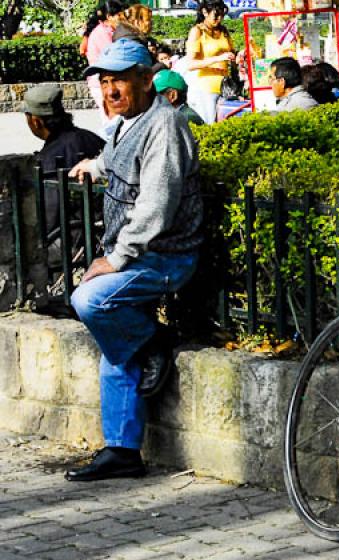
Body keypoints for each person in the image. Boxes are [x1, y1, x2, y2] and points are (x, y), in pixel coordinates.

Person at [66, 39, 203, 482]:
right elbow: (117, 160)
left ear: (147, 79)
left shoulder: (164, 125)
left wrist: (115, 257)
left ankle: (153, 342)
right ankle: (122, 450)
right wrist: (93, 165)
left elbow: (157, 206)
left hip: (166, 257)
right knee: (114, 340)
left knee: (92, 301)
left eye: (120, 80)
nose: (110, 90)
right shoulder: (127, 123)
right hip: (141, 255)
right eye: (105, 81)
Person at [22, 85, 105, 253]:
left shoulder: (47, 158)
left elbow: (49, 218)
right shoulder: (91, 138)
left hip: (72, 241)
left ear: (36, 121)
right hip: (102, 230)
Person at [185, 0, 235, 124]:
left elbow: (232, 53)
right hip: (206, 89)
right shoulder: (197, 31)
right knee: (210, 124)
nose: (219, 19)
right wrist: (217, 59)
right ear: (205, 12)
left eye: (222, 16)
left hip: (225, 86)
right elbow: (190, 64)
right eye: (216, 16)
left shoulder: (223, 30)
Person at [86, 0, 130, 127]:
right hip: (101, 82)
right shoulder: (101, 33)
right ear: (109, 16)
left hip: (109, 80)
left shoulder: (110, 31)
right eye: (119, 15)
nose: (122, 19)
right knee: (112, 121)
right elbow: (114, 56)